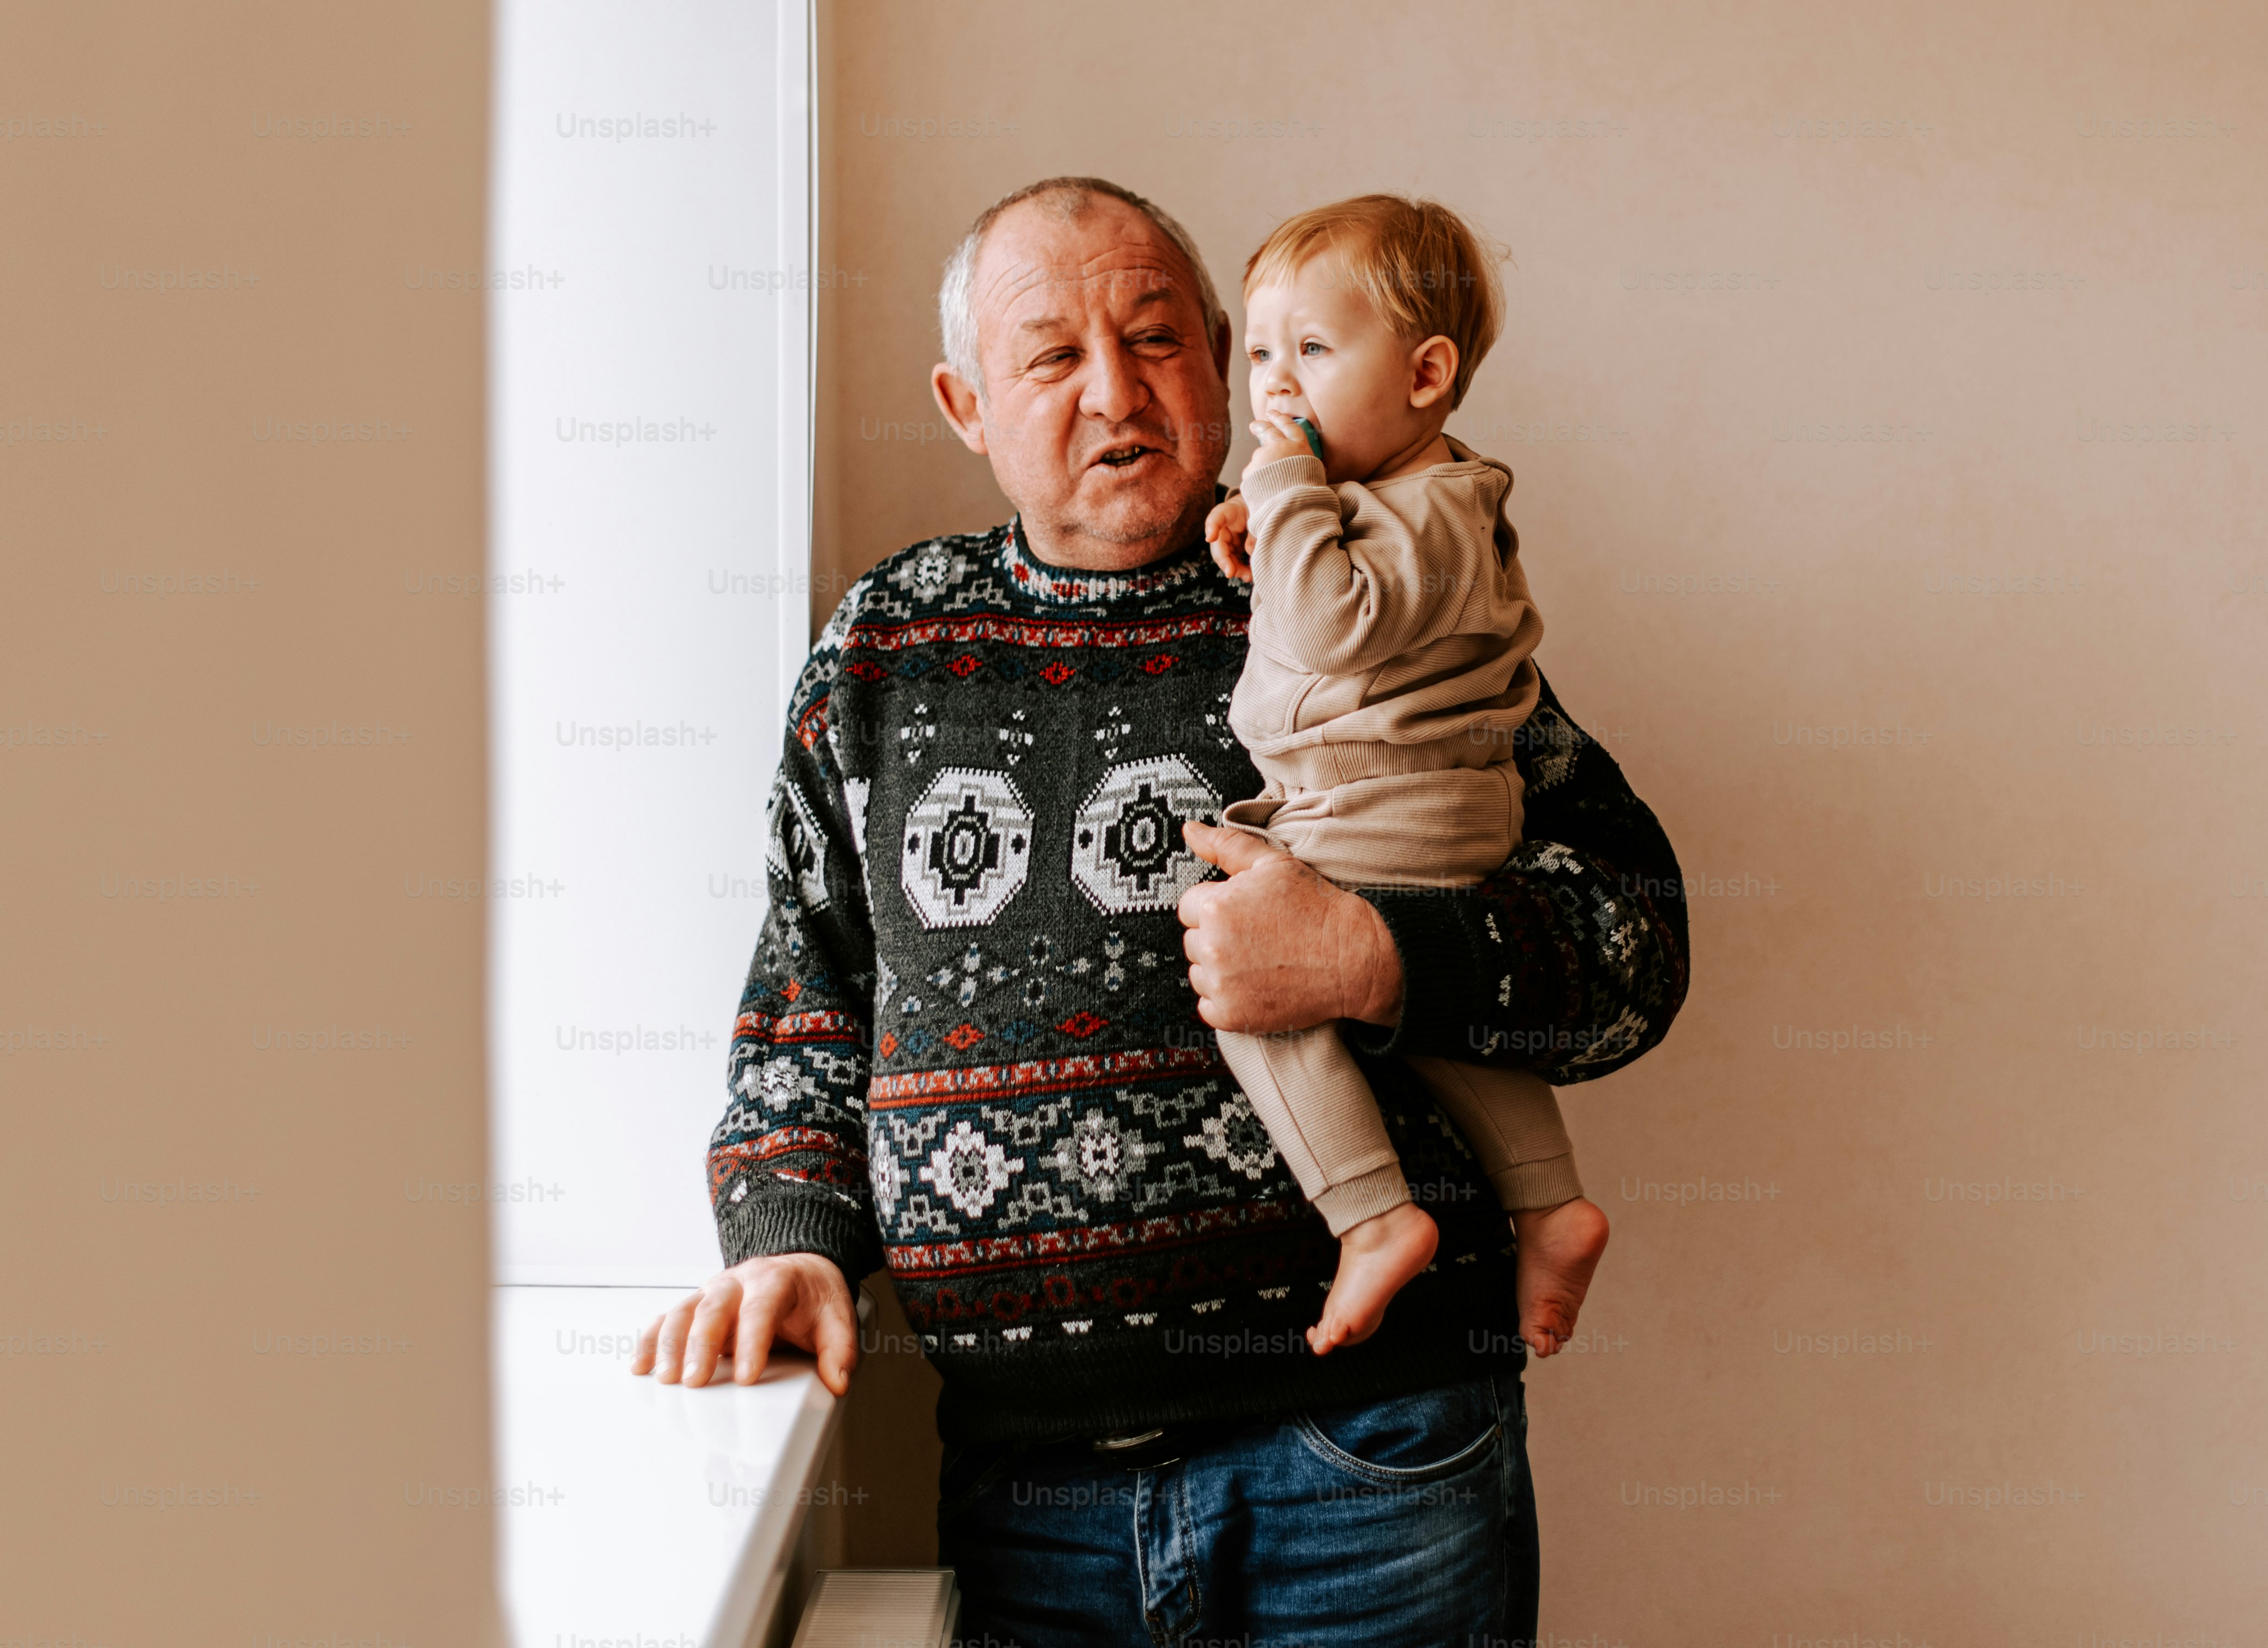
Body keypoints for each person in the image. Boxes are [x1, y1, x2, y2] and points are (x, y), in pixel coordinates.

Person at [632, 177, 1686, 1647]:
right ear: (964, 404)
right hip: (1026, 1494)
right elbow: (805, 995)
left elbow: (1636, 935)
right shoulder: (882, 647)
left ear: (1222, 356)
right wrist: (789, 1235)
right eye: (1051, 358)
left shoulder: (1370, 593)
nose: (1116, 394)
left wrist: (1377, 958)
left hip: (1367, 1460)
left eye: (1156, 341)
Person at [1199, 195, 1608, 1359]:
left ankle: (1371, 1216)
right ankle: (1551, 1199)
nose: (1275, 387)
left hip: (1385, 810)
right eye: (1263, 352)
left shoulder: (1439, 512)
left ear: (1427, 374)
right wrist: (1268, 516)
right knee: (1427, 1023)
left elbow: (1333, 629)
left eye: (1314, 352)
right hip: (1408, 807)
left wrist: (1280, 491)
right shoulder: (1401, 500)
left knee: (1256, 981)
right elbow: (1334, 595)